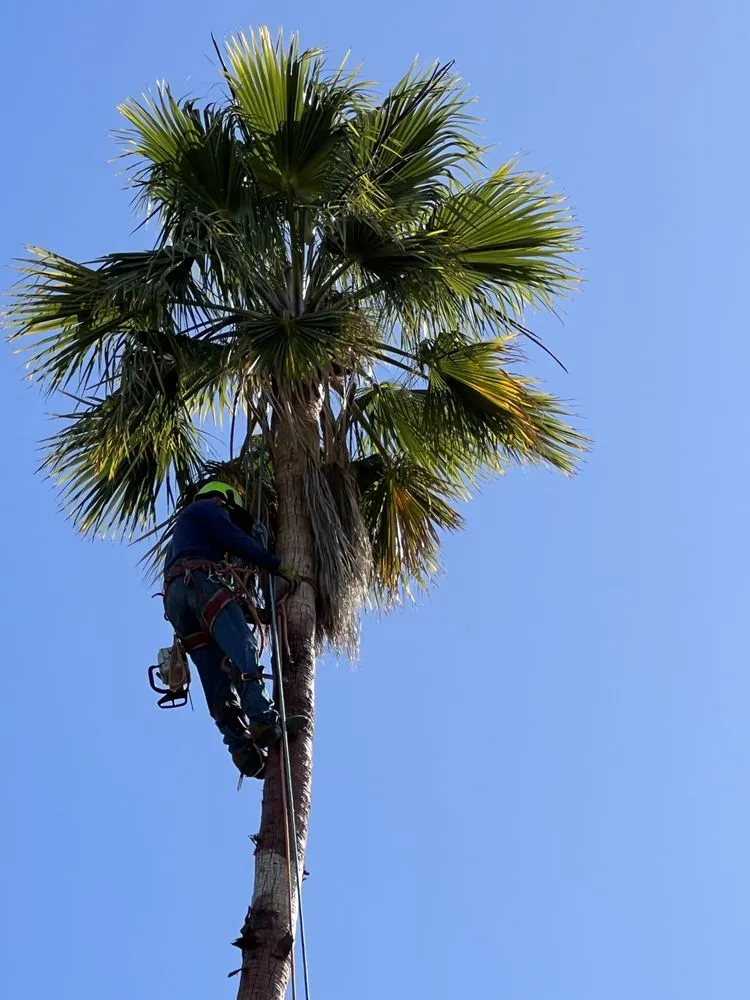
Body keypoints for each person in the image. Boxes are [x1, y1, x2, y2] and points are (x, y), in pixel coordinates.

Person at [162, 481, 301, 778]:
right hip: (198, 582)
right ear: (223, 500)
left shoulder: (183, 534)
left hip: (178, 601)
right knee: (244, 647)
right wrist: (275, 565)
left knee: (216, 675)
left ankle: (242, 750)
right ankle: (263, 719)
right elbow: (233, 538)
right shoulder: (208, 508)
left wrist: (260, 615)